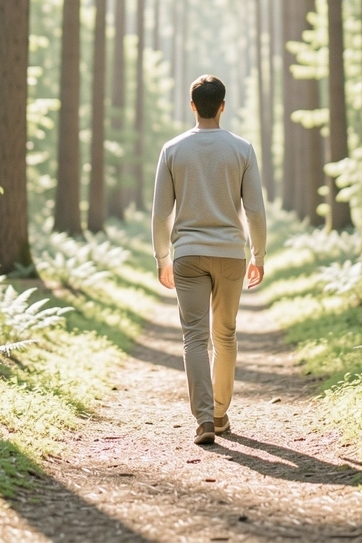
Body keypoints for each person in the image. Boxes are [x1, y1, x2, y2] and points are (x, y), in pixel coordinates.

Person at [151, 74, 267, 446]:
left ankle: (202, 420)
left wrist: (162, 258)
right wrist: (258, 255)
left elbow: (159, 215)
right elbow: (256, 212)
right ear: (222, 106)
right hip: (231, 254)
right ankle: (219, 414)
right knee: (226, 335)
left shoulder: (173, 149)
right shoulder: (242, 149)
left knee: (194, 339)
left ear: (192, 106)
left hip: (187, 255)